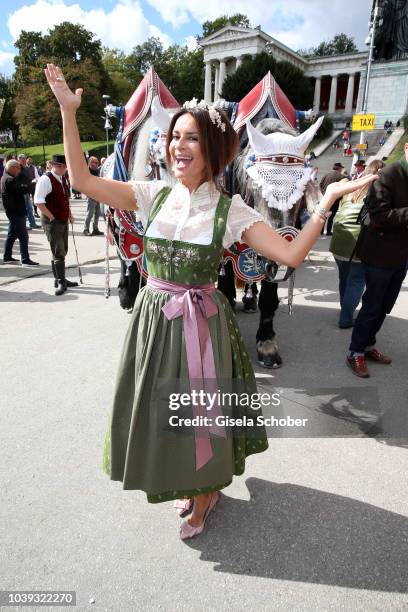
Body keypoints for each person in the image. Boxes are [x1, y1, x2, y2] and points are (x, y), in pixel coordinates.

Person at [45, 63, 377, 539]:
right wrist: (67, 113)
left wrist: (327, 202)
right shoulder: (152, 195)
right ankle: (189, 482)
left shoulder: (231, 209)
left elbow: (290, 253)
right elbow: (83, 181)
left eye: (192, 138)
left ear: (213, 148)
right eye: (175, 136)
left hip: (200, 325)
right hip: (153, 321)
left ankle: (205, 495)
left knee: (203, 417)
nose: (178, 146)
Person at [346, 143, 408, 378]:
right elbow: (379, 215)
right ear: (406, 148)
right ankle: (355, 352)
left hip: (401, 256)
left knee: (385, 305)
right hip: (380, 254)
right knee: (372, 305)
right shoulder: (389, 174)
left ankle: (368, 345)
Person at [330, 160, 385, 329]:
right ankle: (346, 318)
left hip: (338, 240)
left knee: (344, 278)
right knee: (356, 281)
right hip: (357, 243)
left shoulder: (352, 186)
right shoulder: (377, 191)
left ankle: (344, 309)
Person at [34, 153, 79, 296]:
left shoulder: (62, 179)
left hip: (62, 219)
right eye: (65, 167)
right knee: (58, 251)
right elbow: (38, 201)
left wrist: (70, 215)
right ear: (56, 166)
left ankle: (60, 279)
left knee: (62, 249)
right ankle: (60, 281)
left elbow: (65, 200)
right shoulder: (45, 180)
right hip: (52, 221)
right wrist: (51, 217)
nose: (66, 169)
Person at [1, 159, 39, 266]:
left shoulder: (6, 178)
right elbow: (22, 190)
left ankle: (7, 256)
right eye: (18, 168)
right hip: (16, 212)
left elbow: (21, 186)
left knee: (12, 235)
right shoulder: (9, 180)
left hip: (13, 211)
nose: (19, 171)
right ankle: (25, 259)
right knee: (23, 236)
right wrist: (32, 184)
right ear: (12, 168)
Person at [320, 162, 345, 235]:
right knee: (331, 217)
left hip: (325, 198)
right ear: (339, 168)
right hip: (335, 199)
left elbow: (321, 184)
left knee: (324, 215)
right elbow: (343, 188)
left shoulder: (326, 175)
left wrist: (324, 193)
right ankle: (328, 231)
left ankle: (321, 231)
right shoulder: (341, 177)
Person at [17, 154, 39, 229]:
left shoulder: (25, 168)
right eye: (22, 160)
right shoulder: (18, 168)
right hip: (22, 192)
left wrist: (31, 182)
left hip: (27, 191)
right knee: (24, 209)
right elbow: (17, 180)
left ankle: (32, 224)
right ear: (19, 160)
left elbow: (27, 178)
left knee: (29, 208)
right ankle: (24, 225)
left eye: (24, 159)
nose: (24, 161)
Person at [83, 156, 103, 235]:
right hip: (90, 195)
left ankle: (95, 229)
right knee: (90, 213)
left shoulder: (98, 171)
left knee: (97, 214)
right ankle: (86, 229)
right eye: (93, 162)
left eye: (96, 162)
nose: (95, 164)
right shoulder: (86, 171)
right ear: (89, 163)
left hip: (98, 194)